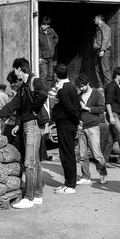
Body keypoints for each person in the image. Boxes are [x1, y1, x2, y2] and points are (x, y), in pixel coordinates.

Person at [0, 58, 47, 208]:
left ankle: (29, 197)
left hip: (32, 125)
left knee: (29, 163)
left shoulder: (34, 80)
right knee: (36, 162)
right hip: (27, 124)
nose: (14, 73)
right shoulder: (25, 86)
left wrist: (33, 110)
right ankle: (38, 195)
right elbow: (17, 105)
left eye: (15, 70)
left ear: (20, 69)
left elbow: (43, 94)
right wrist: (1, 114)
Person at [51, 63, 81, 194]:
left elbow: (70, 109)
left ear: (56, 75)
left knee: (67, 154)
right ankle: (67, 182)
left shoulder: (63, 89)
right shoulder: (70, 86)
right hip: (68, 124)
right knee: (66, 153)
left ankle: (70, 185)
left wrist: (75, 122)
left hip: (66, 124)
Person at [75, 74, 108, 185]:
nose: (81, 88)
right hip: (81, 127)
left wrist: (87, 108)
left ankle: (103, 173)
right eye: (79, 86)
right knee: (82, 154)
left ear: (87, 83)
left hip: (93, 127)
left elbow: (101, 109)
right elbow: (77, 111)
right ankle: (85, 176)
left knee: (96, 152)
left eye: (82, 86)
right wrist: (78, 119)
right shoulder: (79, 96)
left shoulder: (96, 94)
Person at [39, 16, 59, 88]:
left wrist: (53, 44)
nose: (43, 26)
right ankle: (42, 89)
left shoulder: (51, 31)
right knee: (44, 74)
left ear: (48, 25)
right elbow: (37, 45)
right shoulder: (38, 32)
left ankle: (48, 88)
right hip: (43, 57)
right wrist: (39, 56)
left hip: (50, 56)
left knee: (50, 74)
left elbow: (56, 37)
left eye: (45, 25)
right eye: (42, 24)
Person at [93, 14, 111, 89]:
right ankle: (101, 86)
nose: (94, 20)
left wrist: (103, 50)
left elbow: (106, 39)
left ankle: (109, 87)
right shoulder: (99, 28)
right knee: (97, 68)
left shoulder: (105, 27)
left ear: (99, 19)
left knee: (105, 69)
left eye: (95, 19)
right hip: (98, 50)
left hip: (103, 50)